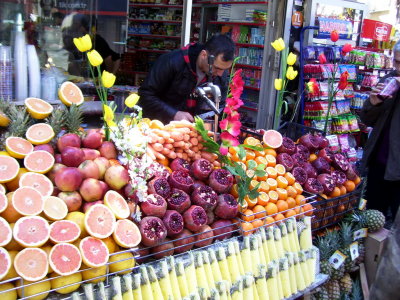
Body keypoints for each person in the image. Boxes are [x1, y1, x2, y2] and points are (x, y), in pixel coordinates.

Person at [138, 34, 235, 124]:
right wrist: (173, 114)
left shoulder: (220, 72)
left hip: (192, 134)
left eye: (225, 69)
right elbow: (145, 95)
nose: (220, 74)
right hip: (160, 128)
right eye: (217, 68)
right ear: (203, 55)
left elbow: (220, 107)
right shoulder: (171, 61)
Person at [360, 40, 400, 220]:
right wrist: (373, 104)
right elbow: (367, 119)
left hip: (397, 169)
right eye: (397, 61)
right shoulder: (389, 80)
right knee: (372, 218)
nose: (398, 67)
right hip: (378, 163)